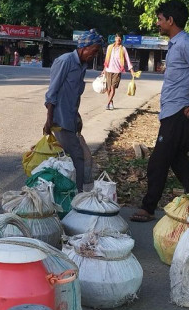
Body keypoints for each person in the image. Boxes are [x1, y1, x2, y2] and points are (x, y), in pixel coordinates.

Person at [128, 0, 189, 222]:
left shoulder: (185, 44)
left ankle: (148, 208)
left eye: (159, 19)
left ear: (170, 20)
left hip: (178, 115)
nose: (157, 23)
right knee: (179, 161)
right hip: (173, 113)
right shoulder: (176, 44)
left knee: (158, 162)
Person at [43, 29, 105, 191]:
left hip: (70, 119)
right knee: (77, 156)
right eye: (94, 51)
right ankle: (77, 196)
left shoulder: (82, 65)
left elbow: (74, 95)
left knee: (67, 158)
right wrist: (49, 119)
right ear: (84, 47)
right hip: (59, 120)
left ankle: (66, 193)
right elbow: (52, 93)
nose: (95, 55)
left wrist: (77, 116)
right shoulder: (65, 61)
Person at [102, 33, 133, 111]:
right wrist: (104, 69)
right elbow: (106, 59)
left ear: (121, 40)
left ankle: (107, 103)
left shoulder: (123, 49)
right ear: (115, 39)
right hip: (108, 70)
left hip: (117, 71)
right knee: (108, 89)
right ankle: (111, 102)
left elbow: (128, 60)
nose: (118, 40)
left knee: (113, 88)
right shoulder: (109, 47)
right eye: (117, 38)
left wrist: (131, 70)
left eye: (120, 39)